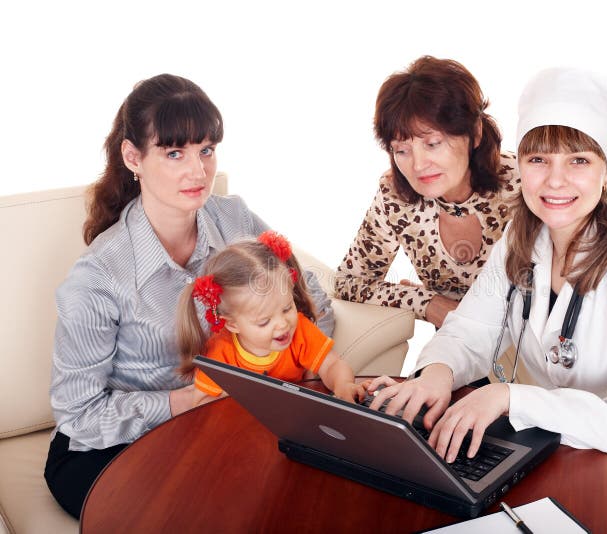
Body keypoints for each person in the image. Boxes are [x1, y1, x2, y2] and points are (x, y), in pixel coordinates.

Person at [366, 68, 607, 533]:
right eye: (538, 160)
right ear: (520, 163)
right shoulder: (521, 234)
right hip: (583, 450)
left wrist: (508, 396)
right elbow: (473, 328)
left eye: (577, 161)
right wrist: (436, 374)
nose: (554, 182)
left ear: (605, 168)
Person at [45, 74, 333, 519]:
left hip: (218, 421)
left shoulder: (234, 218)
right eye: (174, 153)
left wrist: (285, 371)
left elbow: (309, 296)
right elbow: (78, 415)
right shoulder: (99, 277)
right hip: (106, 447)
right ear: (132, 157)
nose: (198, 171)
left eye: (207, 150)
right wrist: (184, 402)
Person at [334, 56, 520, 328]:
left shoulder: (524, 182)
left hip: (536, 351)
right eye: (402, 150)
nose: (418, 165)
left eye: (432, 143)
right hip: (458, 351)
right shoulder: (395, 197)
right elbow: (349, 282)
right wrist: (426, 302)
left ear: (475, 133)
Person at [176, 231, 363, 404]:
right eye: (264, 321)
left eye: (287, 308)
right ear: (232, 324)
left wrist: (343, 385)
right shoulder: (220, 353)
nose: (283, 324)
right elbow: (200, 404)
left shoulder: (300, 331)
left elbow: (332, 365)